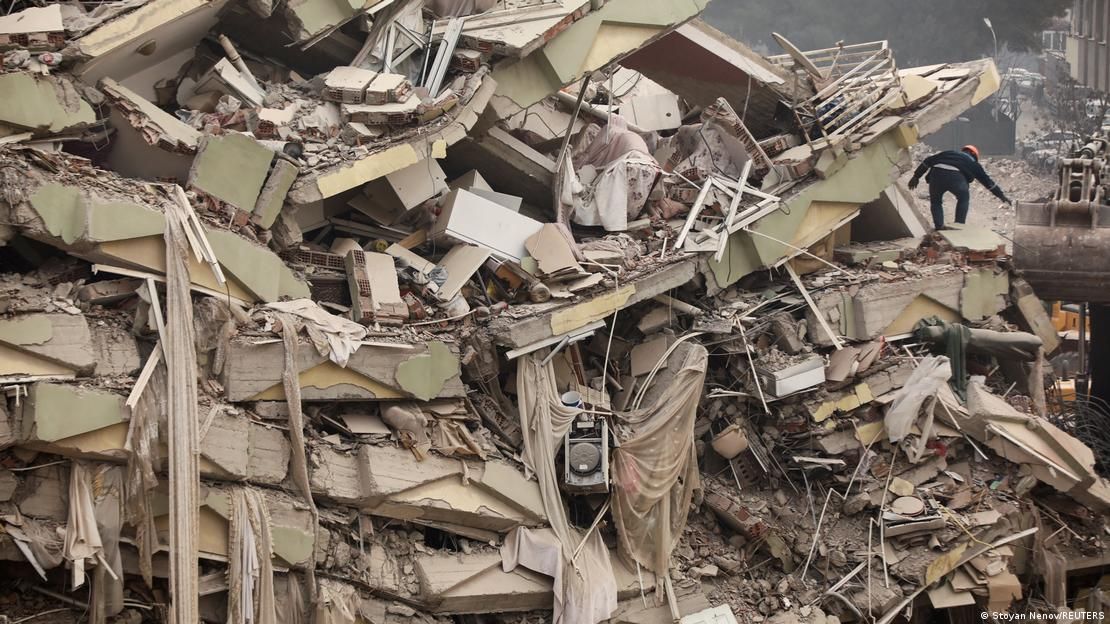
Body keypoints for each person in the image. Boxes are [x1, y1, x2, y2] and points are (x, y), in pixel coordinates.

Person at [908, 145, 1012, 230]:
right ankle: (958, 227)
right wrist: (1002, 196)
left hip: (936, 176)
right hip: (956, 179)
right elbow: (988, 183)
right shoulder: (973, 163)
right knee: (963, 199)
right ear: (973, 155)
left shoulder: (948, 153)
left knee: (936, 202)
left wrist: (916, 176)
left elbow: (927, 161)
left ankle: (939, 227)